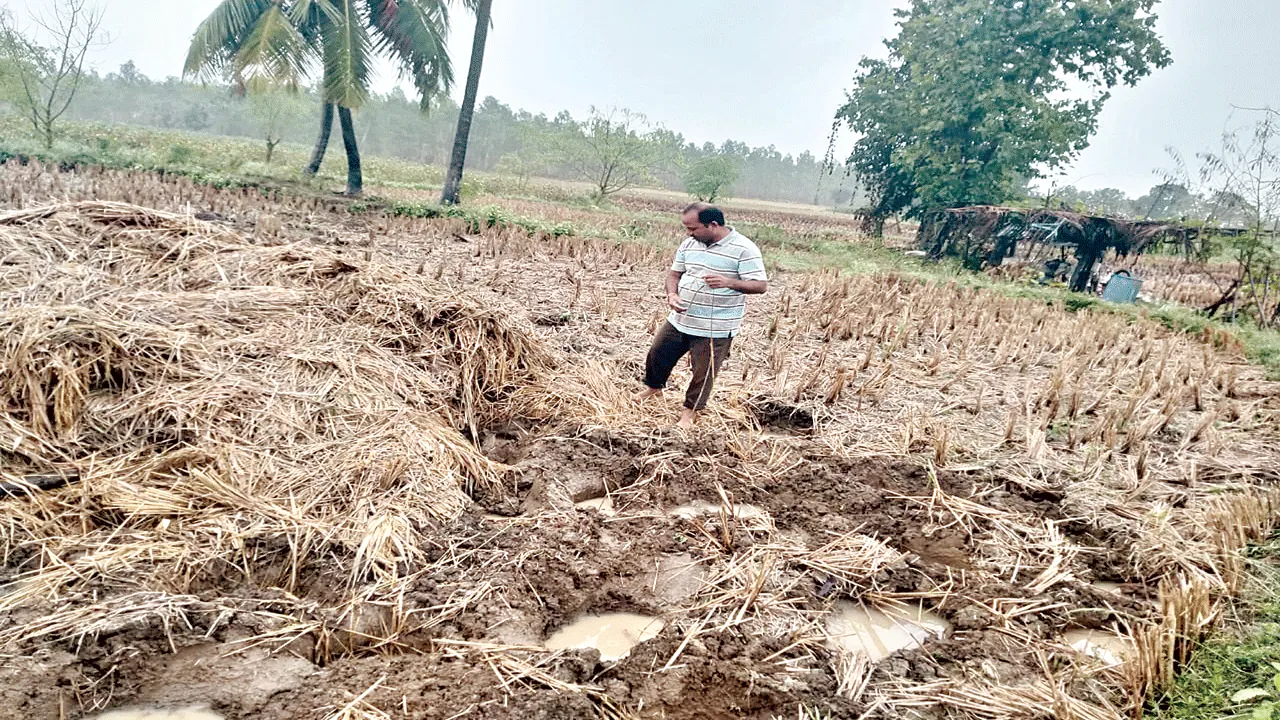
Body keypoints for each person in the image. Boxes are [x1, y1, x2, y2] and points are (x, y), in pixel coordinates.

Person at [633, 203, 769, 428]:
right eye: (687, 229)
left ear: (713, 225)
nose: (689, 234)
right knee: (657, 355)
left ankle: (690, 412)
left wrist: (729, 283)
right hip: (681, 319)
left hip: (715, 325)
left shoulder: (745, 249)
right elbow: (674, 274)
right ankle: (653, 389)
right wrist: (672, 294)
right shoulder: (690, 244)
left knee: (703, 372)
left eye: (693, 229)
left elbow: (761, 286)